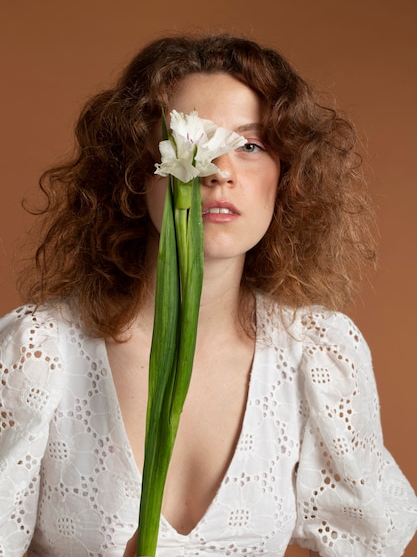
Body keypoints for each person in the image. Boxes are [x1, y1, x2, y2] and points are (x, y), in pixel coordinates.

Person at [1, 34, 416, 557]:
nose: (219, 171)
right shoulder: (38, 352)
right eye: (193, 144)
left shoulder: (316, 353)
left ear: (286, 174)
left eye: (250, 145)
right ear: (138, 171)